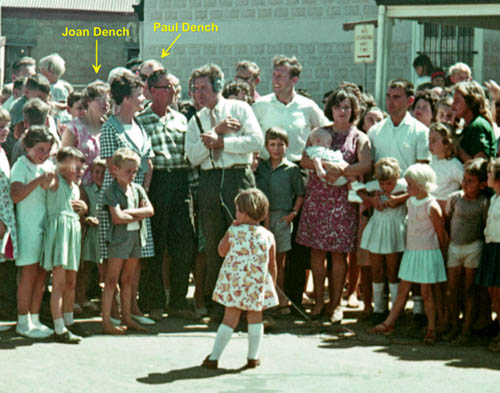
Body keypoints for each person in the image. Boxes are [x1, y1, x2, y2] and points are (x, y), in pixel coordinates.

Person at [185, 63, 263, 318]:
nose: (199, 94)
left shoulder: (239, 108)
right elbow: (193, 157)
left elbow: (256, 141)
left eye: (204, 88)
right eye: (196, 89)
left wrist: (223, 142)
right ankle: (221, 306)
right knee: (215, 243)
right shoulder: (195, 120)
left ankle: (247, 304)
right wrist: (214, 132)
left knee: (244, 242)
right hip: (209, 181)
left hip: (237, 177)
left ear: (218, 86)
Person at [252, 55, 329, 313]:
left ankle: (292, 298)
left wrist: (316, 158)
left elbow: (326, 133)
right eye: (273, 75)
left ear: (294, 79)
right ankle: (267, 297)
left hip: (297, 173)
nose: (275, 80)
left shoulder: (308, 107)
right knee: (267, 240)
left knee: (296, 241)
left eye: (281, 75)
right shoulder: (260, 105)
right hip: (266, 175)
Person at [297, 88, 372, 323]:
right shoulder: (319, 133)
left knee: (339, 256)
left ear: (353, 110)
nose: (342, 111)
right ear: (330, 109)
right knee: (316, 252)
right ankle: (319, 302)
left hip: (342, 202)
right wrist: (324, 167)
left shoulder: (359, 137)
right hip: (318, 199)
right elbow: (305, 159)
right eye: (338, 107)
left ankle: (336, 303)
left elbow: (366, 164)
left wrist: (344, 170)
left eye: (347, 107)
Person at [135, 69, 197, 319]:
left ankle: (179, 301)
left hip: (180, 182)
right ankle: (153, 301)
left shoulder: (182, 119)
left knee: (183, 244)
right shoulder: (141, 120)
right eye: (166, 88)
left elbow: (189, 158)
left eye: (173, 87)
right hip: (156, 183)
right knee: (155, 244)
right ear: (152, 91)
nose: (172, 92)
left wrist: (193, 189)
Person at [97, 71, 155, 329]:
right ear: (126, 98)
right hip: (118, 198)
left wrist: (142, 194)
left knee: (135, 260)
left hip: (138, 196)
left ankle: (130, 311)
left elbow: (148, 163)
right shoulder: (110, 126)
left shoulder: (140, 125)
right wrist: (131, 200)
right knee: (114, 265)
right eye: (139, 94)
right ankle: (114, 313)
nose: (143, 98)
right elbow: (112, 165)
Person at [368, 164, 448, 345]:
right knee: (404, 290)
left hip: (428, 254)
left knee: (427, 293)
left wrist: (442, 256)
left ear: (421, 184)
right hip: (412, 252)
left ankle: (431, 328)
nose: (406, 187)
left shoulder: (432, 205)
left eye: (410, 184)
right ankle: (389, 323)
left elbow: (441, 233)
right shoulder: (411, 201)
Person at [201, 188, 277, 369]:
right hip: (256, 285)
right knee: (255, 318)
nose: (235, 213)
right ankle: (253, 357)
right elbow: (272, 265)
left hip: (235, 284)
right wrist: (271, 284)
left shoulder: (234, 231)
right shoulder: (268, 236)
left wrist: (229, 232)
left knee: (229, 319)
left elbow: (221, 251)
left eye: (237, 210)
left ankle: (214, 357)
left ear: (244, 212)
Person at [101, 148, 154, 334]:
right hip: (119, 239)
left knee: (129, 279)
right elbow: (117, 218)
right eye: (128, 171)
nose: (132, 175)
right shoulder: (112, 190)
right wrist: (136, 214)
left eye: (135, 172)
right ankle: (106, 320)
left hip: (135, 238)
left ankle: (127, 317)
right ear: (115, 170)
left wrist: (129, 214)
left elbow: (150, 211)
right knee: (111, 279)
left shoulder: (137, 189)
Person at [10, 125, 56, 338]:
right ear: (27, 147)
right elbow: (16, 195)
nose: (44, 154)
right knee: (28, 274)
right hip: (28, 227)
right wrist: (39, 181)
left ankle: (35, 319)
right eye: (40, 149)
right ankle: (22, 321)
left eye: (47, 150)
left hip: (45, 227)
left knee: (41, 274)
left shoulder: (48, 165)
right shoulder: (21, 165)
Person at [255, 127, 304, 311]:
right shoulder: (262, 168)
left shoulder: (292, 169)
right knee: (265, 259)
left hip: (282, 217)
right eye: (272, 144)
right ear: (267, 147)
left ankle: (280, 297)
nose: (276, 149)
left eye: (281, 145)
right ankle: (264, 299)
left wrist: (293, 213)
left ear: (287, 146)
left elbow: (300, 194)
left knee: (279, 261)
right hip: (263, 217)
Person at [42, 147, 87, 343]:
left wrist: (84, 209)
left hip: (73, 233)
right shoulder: (56, 182)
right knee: (59, 283)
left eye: (81, 167)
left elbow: (77, 209)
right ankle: (58, 326)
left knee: (71, 282)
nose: (78, 171)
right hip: (60, 234)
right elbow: (47, 178)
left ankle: (69, 321)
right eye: (74, 166)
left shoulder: (75, 188)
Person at [444, 158, 488, 343]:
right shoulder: (455, 198)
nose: (465, 183)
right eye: (464, 179)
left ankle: (466, 329)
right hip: (455, 247)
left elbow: (485, 226)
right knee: (452, 289)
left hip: (474, 248)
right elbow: (447, 220)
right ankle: (454, 325)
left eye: (471, 181)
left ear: (482, 184)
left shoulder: (484, 203)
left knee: (469, 289)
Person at [359, 158, 407, 319]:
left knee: (393, 270)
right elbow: (356, 189)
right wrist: (371, 199)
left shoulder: (403, 186)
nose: (386, 187)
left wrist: (398, 199)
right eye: (383, 183)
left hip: (394, 230)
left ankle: (395, 310)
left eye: (389, 183)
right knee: (377, 269)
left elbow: (418, 191)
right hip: (377, 229)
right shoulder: (373, 186)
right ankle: (379, 308)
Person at [61, 81, 110, 185]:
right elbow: (65, 163)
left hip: (105, 189)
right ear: (88, 101)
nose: (106, 103)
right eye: (100, 100)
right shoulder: (73, 128)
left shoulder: (109, 127)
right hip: (81, 189)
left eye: (107, 100)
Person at [75, 157, 106, 313]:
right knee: (85, 268)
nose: (100, 175)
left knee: (104, 270)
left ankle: (109, 303)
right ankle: (79, 297)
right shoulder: (86, 190)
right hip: (91, 234)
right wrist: (86, 219)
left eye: (103, 172)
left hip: (106, 235)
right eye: (96, 172)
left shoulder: (110, 190)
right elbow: (81, 213)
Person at [476, 158, 500, 351]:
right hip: (492, 247)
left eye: (491, 173)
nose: (487, 177)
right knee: (493, 292)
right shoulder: (493, 198)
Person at [0, 109, 17, 325]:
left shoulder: (3, 152)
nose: (5, 131)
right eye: (0, 126)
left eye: (6, 126)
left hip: (7, 216)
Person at [452, 81, 497, 162]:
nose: (453, 105)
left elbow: (479, 165)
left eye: (457, 100)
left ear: (471, 102)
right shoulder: (468, 126)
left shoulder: (478, 126)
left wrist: (457, 146)